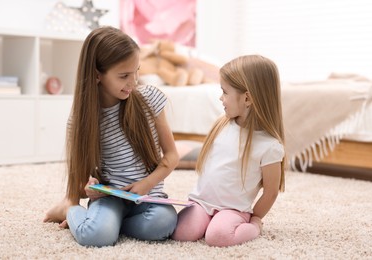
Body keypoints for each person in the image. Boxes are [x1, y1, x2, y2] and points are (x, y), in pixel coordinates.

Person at [43, 26, 179, 247]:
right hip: (111, 198)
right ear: (97, 75)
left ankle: (110, 226)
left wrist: (146, 184)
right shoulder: (82, 120)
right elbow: (80, 183)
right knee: (95, 237)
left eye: (137, 71)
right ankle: (71, 210)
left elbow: (172, 156)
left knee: (164, 223)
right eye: (124, 76)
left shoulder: (151, 99)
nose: (134, 81)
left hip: (147, 197)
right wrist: (86, 187)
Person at [171, 55, 286, 247]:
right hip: (201, 203)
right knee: (180, 233)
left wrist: (255, 219)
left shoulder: (270, 146)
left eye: (225, 92)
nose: (220, 98)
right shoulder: (222, 125)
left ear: (247, 98)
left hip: (233, 209)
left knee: (218, 237)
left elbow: (271, 191)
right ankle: (208, 221)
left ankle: (254, 227)